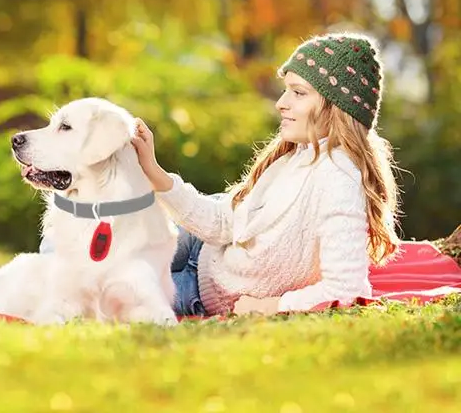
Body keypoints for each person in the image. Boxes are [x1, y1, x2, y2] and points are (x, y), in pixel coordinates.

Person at [131, 32, 401, 317]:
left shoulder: (339, 178)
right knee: (100, 250)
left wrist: (268, 306)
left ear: (337, 107)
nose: (281, 103)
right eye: (286, 90)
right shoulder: (295, 155)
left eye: (298, 92)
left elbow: (346, 290)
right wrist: (153, 171)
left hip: (198, 290)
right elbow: (224, 221)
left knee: (105, 289)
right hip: (204, 246)